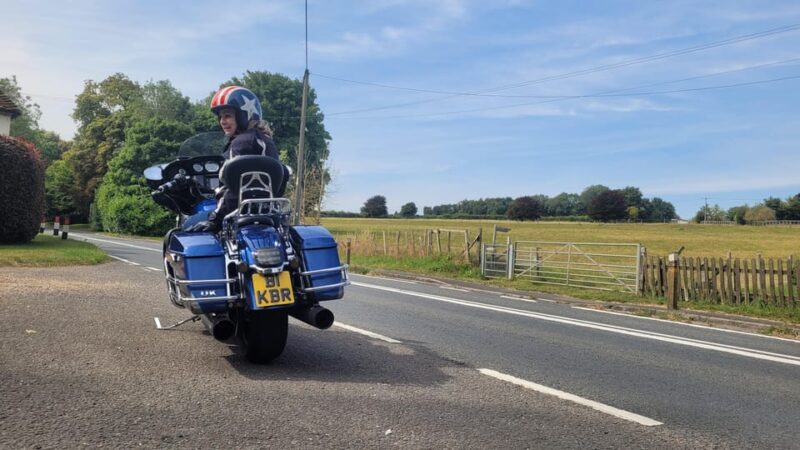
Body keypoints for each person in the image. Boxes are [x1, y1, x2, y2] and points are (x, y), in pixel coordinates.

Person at [188, 86, 280, 232]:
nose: (222, 122)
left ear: (244, 115)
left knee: (187, 225)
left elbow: (234, 190)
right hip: (269, 213)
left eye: (227, 116)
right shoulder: (267, 141)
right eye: (220, 117)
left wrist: (215, 220)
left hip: (236, 213)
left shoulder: (241, 143)